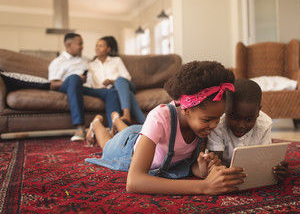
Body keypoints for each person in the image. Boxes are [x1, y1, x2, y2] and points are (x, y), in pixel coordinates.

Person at [85, 61, 248, 195]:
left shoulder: (199, 125)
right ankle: (97, 123)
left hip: (145, 132)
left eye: (218, 118)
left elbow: (189, 164)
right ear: (186, 110)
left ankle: (116, 119)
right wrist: (204, 187)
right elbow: (134, 181)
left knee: (133, 129)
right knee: (107, 144)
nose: (214, 125)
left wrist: (201, 169)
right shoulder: (160, 117)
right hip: (127, 146)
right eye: (208, 119)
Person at [207, 78, 288, 181]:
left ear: (258, 111)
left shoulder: (265, 124)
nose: (241, 125)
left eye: (249, 119)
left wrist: (277, 169)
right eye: (234, 118)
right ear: (225, 108)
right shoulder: (218, 125)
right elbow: (215, 166)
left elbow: (266, 161)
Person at [48, 33, 121, 142]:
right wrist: (77, 79)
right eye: (80, 44)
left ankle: (115, 131)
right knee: (74, 78)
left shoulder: (87, 60)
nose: (82, 46)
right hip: (69, 86)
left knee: (111, 92)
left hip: (87, 88)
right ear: (69, 45)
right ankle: (80, 128)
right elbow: (53, 84)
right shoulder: (58, 62)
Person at [86, 36, 145, 126]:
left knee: (119, 80)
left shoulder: (116, 60)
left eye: (101, 46)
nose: (97, 48)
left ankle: (126, 114)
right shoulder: (91, 65)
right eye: (96, 46)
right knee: (126, 93)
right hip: (109, 91)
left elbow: (127, 77)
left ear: (108, 49)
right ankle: (144, 123)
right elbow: (90, 83)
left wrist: (112, 81)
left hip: (124, 85)